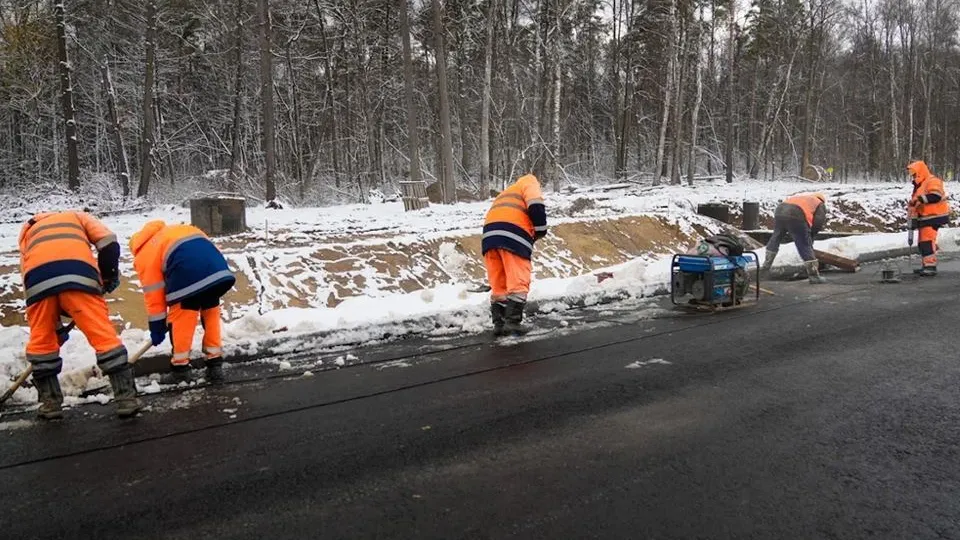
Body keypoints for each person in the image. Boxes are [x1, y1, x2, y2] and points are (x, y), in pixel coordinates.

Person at [19, 211, 140, 419]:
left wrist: (54, 328)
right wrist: (108, 276)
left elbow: (27, 272)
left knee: (41, 341)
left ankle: (50, 404)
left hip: (36, 282)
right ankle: (126, 399)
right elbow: (109, 242)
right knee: (103, 336)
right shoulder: (77, 216)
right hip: (80, 275)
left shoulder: (27, 230)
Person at [129, 220, 236, 383]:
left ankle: (181, 369)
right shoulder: (178, 230)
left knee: (182, 315)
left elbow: (154, 296)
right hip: (218, 271)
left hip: (187, 272)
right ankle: (215, 363)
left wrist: (157, 327)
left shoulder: (144, 253)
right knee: (210, 310)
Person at [482, 174, 547, 336]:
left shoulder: (507, 192)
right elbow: (536, 205)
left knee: (499, 283)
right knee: (518, 280)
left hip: (489, 237)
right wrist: (540, 230)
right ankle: (512, 322)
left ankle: (499, 323)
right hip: (513, 234)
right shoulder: (530, 182)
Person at [760, 192, 828, 284]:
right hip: (796, 213)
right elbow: (818, 222)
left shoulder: (803, 198)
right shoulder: (819, 203)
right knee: (804, 244)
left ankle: (765, 267)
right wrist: (810, 237)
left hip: (780, 210)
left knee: (776, 237)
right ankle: (814, 276)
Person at [907, 160, 950, 276]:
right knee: (923, 243)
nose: (913, 176)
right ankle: (926, 265)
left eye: (914, 173)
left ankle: (930, 266)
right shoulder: (920, 184)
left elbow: (935, 196)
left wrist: (919, 199)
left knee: (927, 241)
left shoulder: (932, 181)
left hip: (933, 216)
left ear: (920, 172)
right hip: (925, 217)